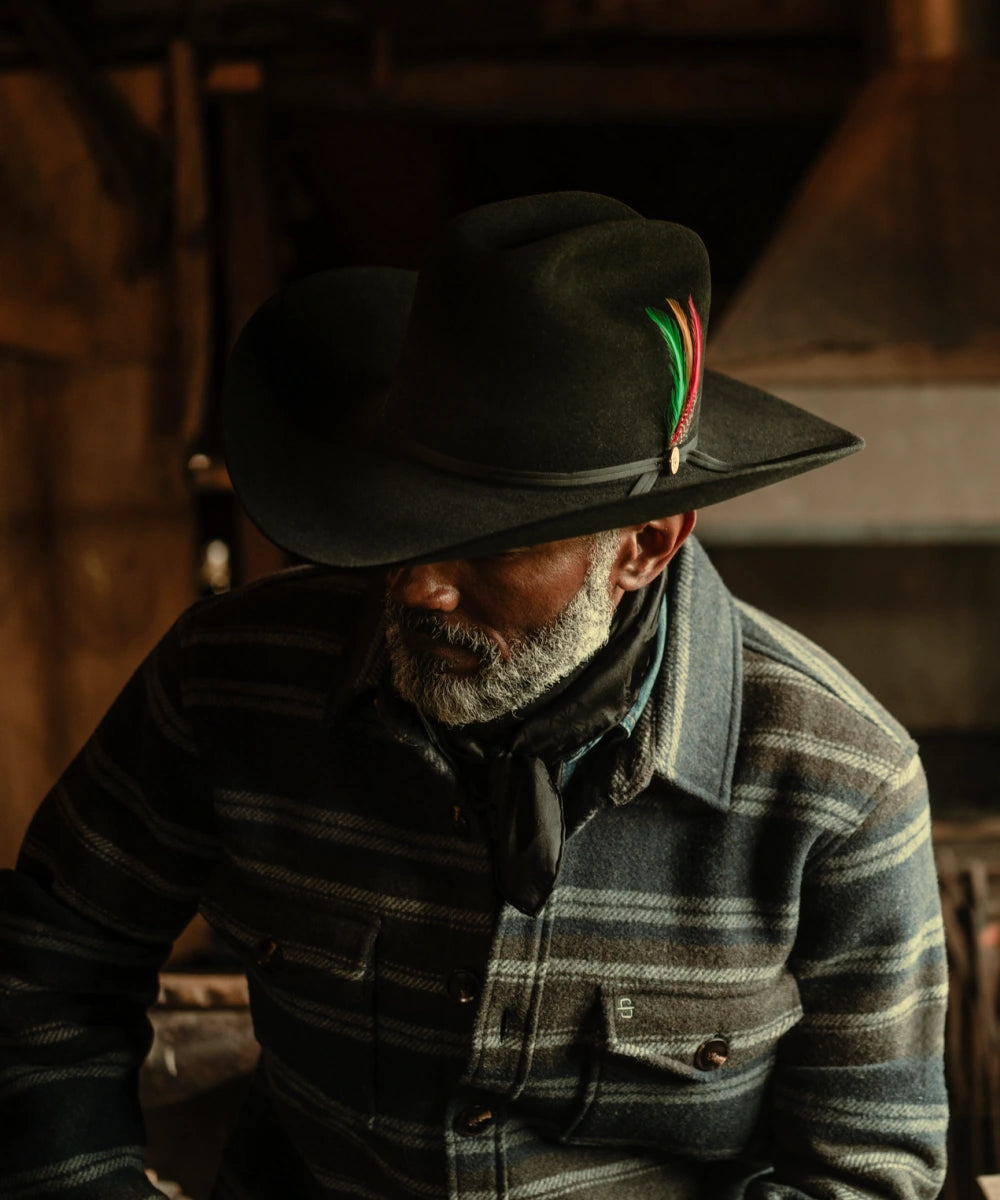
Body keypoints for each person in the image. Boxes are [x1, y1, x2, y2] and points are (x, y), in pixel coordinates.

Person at [0, 192, 947, 1199]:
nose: (417, 585)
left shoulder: (841, 783)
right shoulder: (228, 680)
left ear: (644, 544)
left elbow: (863, 1173)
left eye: (491, 549)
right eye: (405, 519)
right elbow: (48, 960)